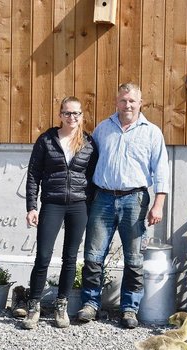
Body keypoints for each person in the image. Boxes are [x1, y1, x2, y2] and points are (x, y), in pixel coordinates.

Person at [76, 83, 169, 329]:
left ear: (141, 103)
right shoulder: (103, 129)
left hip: (135, 200)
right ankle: (90, 304)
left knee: (134, 258)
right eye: (123, 100)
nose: (127, 105)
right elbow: (89, 162)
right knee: (93, 256)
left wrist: (158, 205)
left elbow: (161, 172)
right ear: (116, 102)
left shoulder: (151, 133)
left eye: (132, 101)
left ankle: (129, 308)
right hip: (103, 198)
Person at [21, 96, 98, 329]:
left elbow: (93, 177)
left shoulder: (88, 142)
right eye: (67, 113)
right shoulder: (46, 140)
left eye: (76, 113)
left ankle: (61, 305)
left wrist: (90, 204)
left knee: (70, 258)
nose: (71, 117)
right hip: (52, 203)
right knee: (43, 256)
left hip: (78, 205)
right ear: (60, 115)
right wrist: (31, 206)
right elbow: (33, 173)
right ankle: (33, 305)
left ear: (82, 116)